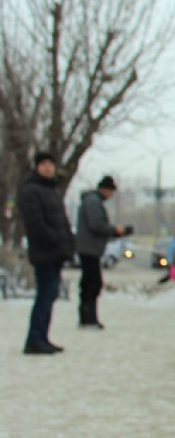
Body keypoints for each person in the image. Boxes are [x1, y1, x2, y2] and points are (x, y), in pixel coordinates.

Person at [16, 151, 75, 355]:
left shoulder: (53, 191)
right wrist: (54, 239)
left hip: (55, 252)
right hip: (44, 252)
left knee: (50, 295)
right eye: (44, 164)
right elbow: (35, 224)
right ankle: (35, 339)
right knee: (45, 295)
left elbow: (62, 222)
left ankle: (41, 337)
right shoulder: (31, 191)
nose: (48, 168)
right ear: (37, 167)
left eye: (51, 164)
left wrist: (67, 243)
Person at [75, 175, 129, 328]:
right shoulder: (93, 202)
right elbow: (96, 225)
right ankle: (88, 318)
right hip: (89, 248)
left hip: (89, 247)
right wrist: (115, 230)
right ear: (106, 190)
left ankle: (87, 317)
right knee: (93, 283)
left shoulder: (91, 201)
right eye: (111, 192)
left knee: (89, 283)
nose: (112, 196)